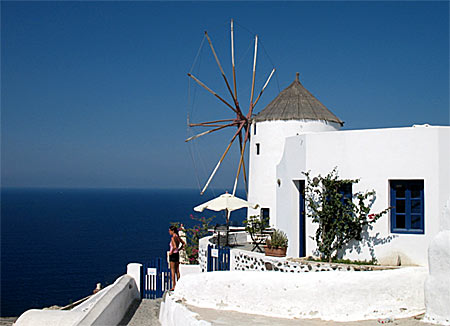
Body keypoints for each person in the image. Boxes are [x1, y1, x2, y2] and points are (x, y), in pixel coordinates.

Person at [168, 225, 185, 291]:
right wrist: (179, 249)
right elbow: (183, 243)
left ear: (173, 231)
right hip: (177, 254)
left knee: (172, 270)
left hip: (173, 255)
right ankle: (179, 284)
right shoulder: (178, 237)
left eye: (170, 230)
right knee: (177, 270)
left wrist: (171, 252)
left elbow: (174, 246)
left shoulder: (173, 238)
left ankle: (174, 286)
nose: (169, 232)